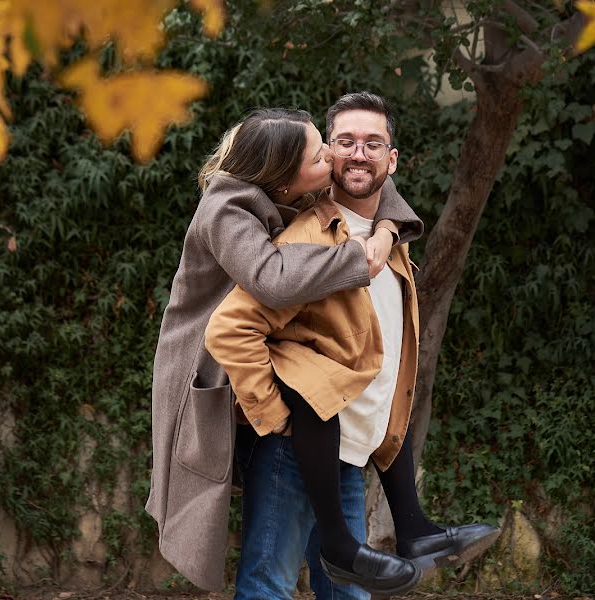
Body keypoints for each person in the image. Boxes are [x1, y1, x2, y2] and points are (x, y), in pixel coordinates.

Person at [205, 92, 499, 598]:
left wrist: (387, 228)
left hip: (345, 450)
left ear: (393, 158)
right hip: (293, 447)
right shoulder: (308, 236)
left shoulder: (392, 240)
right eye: (344, 142)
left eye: (373, 143)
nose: (359, 153)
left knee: (348, 592)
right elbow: (231, 328)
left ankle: (416, 531)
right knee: (268, 585)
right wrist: (274, 418)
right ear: (323, 157)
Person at [145, 107, 423, 596]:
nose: (336, 160)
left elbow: (382, 192)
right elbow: (271, 281)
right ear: (286, 173)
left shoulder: (302, 190)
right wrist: (361, 256)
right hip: (210, 370)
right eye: (323, 154)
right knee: (268, 576)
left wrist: (384, 230)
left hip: (306, 404)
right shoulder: (226, 209)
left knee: (345, 582)